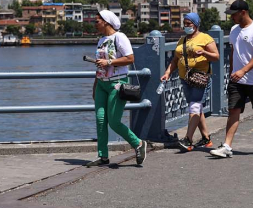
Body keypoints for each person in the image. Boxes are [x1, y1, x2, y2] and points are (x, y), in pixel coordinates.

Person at [211, 0, 253, 158]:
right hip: (237, 79)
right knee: (233, 110)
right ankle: (227, 146)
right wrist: (232, 71)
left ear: (243, 13)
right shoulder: (233, 30)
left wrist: (243, 71)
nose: (231, 17)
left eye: (234, 14)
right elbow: (234, 51)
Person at [86, 9, 147, 167]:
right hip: (101, 83)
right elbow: (100, 64)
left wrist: (110, 63)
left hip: (117, 83)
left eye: (97, 21)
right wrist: (95, 85)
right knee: (100, 120)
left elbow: (130, 58)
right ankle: (103, 156)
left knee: (113, 122)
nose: (95, 24)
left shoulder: (120, 37)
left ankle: (138, 143)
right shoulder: (101, 40)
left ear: (106, 21)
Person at [159, 12, 218, 151]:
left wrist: (204, 53)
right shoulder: (182, 40)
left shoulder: (205, 38)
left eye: (189, 24)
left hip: (200, 77)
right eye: (184, 24)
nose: (186, 26)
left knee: (195, 107)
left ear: (196, 24)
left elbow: (216, 56)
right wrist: (167, 72)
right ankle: (206, 138)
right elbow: (175, 59)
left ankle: (188, 140)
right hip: (185, 78)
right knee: (196, 108)